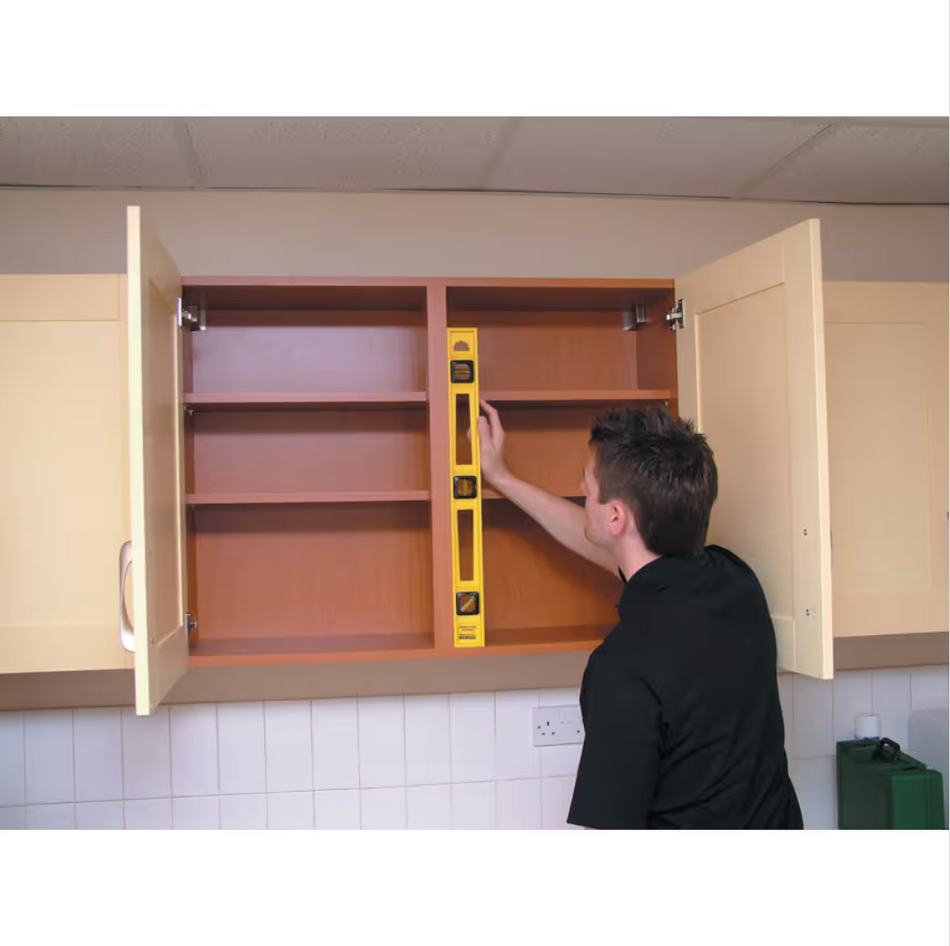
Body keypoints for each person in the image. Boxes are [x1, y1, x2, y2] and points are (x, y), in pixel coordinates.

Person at [476, 399, 803, 830]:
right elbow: (607, 542)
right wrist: (502, 478)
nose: (580, 489)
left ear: (616, 516)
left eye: (587, 487)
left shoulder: (622, 670)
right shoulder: (737, 582)